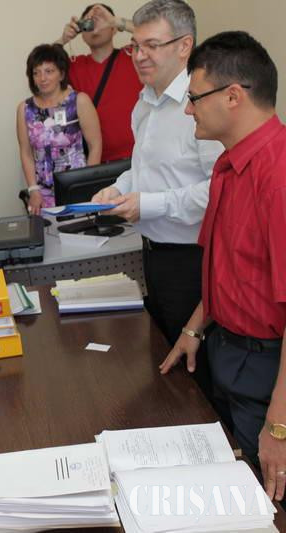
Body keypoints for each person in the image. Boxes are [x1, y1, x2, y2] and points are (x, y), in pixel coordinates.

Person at [160, 31, 286, 500]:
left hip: (269, 372)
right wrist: (193, 329)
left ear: (233, 96)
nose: (188, 110)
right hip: (228, 354)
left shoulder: (278, 177)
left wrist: (280, 427)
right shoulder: (228, 166)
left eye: (194, 98)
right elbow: (226, 266)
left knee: (267, 500)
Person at [92, 0, 224, 398]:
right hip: (153, 254)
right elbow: (145, 168)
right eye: (135, 45)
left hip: (194, 262)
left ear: (184, 47)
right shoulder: (145, 101)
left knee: (200, 378)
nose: (139, 55)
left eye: (151, 45)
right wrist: (119, 187)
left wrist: (149, 204)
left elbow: (219, 189)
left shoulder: (202, 105)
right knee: (170, 371)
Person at [17, 43, 102, 214]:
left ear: (61, 74)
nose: (42, 78)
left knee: (81, 228)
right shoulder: (25, 109)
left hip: (76, 185)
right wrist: (33, 190)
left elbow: (96, 145)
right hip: (42, 192)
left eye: (49, 71)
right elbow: (26, 152)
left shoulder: (79, 101)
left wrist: (87, 185)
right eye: (36, 73)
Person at [56, 3, 143, 162]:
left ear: (114, 29)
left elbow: (158, 37)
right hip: (95, 161)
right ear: (82, 32)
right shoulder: (75, 65)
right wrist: (63, 39)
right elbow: (42, 68)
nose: (95, 25)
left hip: (138, 157)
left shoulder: (134, 55)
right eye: (89, 21)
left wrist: (116, 21)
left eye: (101, 19)